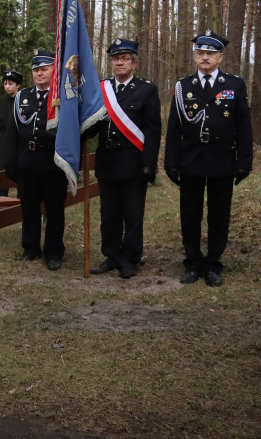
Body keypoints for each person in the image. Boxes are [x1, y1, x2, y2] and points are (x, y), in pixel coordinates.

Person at [165, 31, 252, 287]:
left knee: (218, 214)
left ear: (220, 57)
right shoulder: (184, 87)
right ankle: (192, 263)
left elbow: (244, 127)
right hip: (190, 159)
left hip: (222, 159)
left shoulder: (234, 85)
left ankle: (213, 264)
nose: (205, 58)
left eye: (210, 54)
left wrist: (244, 162)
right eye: (201, 53)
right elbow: (174, 128)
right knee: (190, 214)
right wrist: (171, 162)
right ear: (195, 56)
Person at [90, 40, 161, 279]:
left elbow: (152, 131)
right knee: (109, 215)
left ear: (134, 62)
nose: (119, 62)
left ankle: (130, 258)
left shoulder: (146, 90)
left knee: (132, 215)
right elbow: (92, 125)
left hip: (133, 162)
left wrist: (149, 163)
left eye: (125, 58)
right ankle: (111, 255)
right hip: (107, 160)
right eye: (115, 58)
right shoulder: (101, 89)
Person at [2, 51, 69, 270]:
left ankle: (53, 251)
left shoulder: (62, 96)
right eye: (36, 70)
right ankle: (30, 248)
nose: (39, 73)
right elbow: (12, 131)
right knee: (29, 207)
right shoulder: (23, 96)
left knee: (54, 209)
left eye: (44, 69)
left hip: (53, 162)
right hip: (27, 162)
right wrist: (10, 161)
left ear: (53, 70)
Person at [0, 70, 22, 172]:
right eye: (5, 84)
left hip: (18, 139)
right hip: (2, 139)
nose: (7, 86)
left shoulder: (23, 100)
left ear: (18, 85)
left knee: (18, 169)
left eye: (10, 84)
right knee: (1, 170)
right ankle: (2, 188)